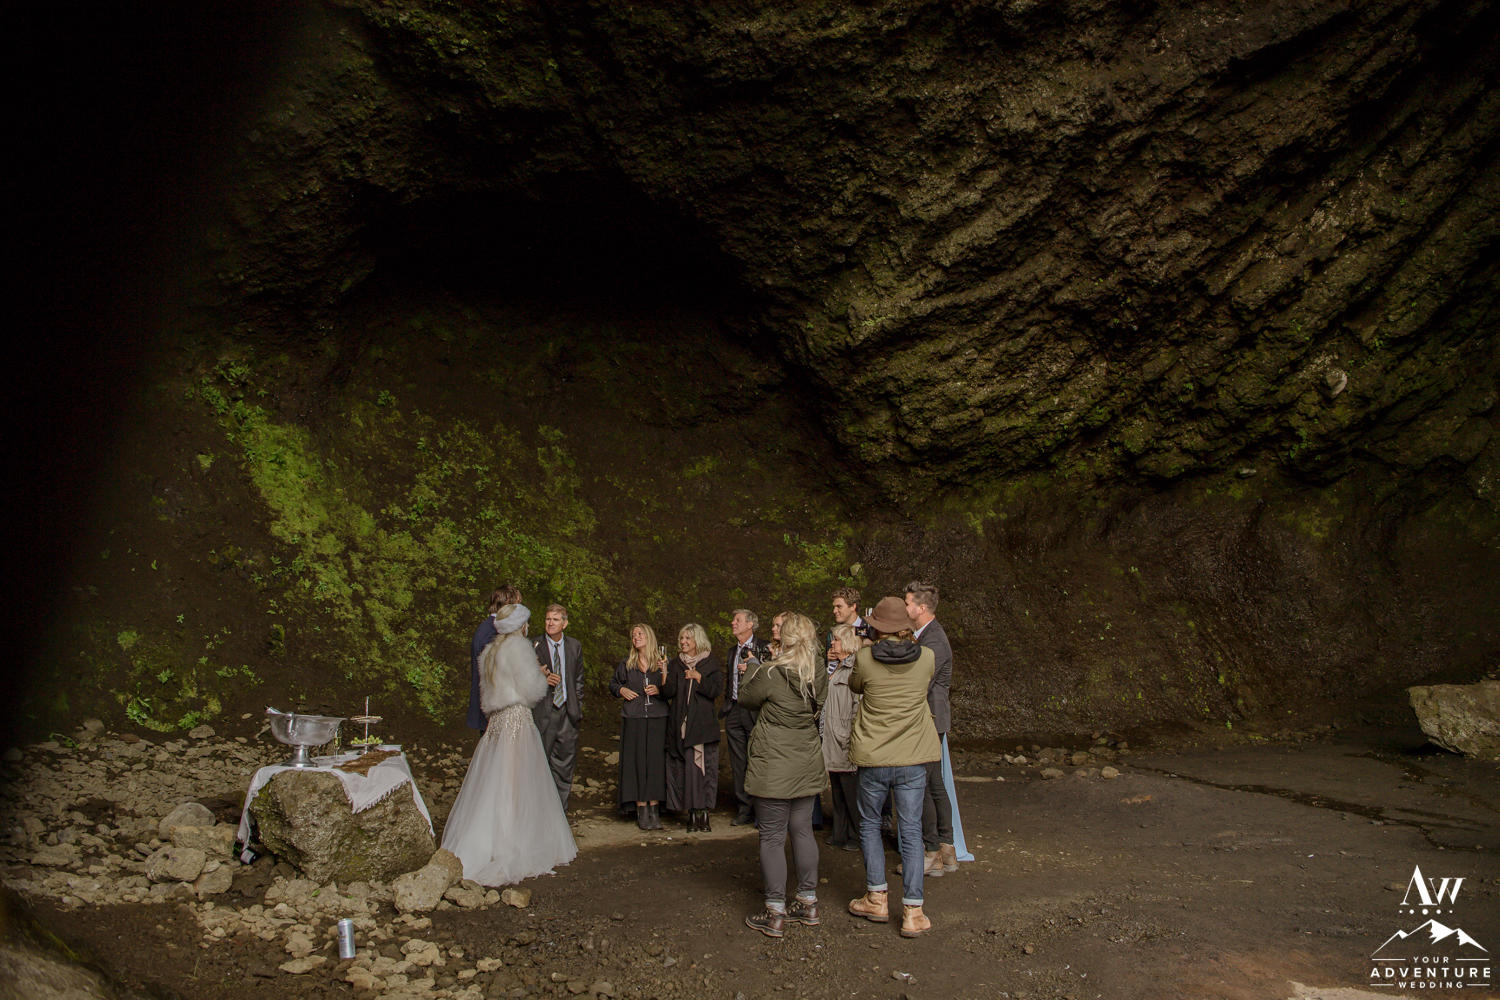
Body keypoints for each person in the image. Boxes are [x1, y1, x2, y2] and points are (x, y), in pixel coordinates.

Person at [442, 602, 578, 885]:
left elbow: (487, 691)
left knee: (495, 778)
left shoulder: (490, 652)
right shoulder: (519, 649)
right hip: (516, 717)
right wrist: (540, 676)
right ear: (520, 625)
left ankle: (489, 838)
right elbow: (532, 691)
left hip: (497, 721)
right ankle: (514, 838)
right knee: (518, 780)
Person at [847, 596, 940, 938]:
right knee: (912, 830)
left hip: (874, 755)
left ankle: (876, 898)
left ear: (875, 627)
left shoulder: (864, 658)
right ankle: (913, 912)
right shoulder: (927, 657)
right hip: (914, 755)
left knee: (870, 824)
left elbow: (855, 686)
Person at [739, 612, 829, 937]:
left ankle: (775, 911)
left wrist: (750, 666)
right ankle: (808, 903)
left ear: (784, 639)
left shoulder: (771, 672)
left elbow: (746, 698)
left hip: (773, 765)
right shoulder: (817, 671)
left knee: (773, 836)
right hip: (806, 759)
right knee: (803, 830)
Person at [906, 580, 961, 877]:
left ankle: (932, 853)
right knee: (934, 783)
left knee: (924, 784)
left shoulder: (935, 641)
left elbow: (921, 680)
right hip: (931, 716)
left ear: (921, 608)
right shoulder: (926, 636)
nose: (905, 608)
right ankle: (947, 849)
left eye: (907, 604)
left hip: (930, 718)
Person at [661, 624, 723, 832]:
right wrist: (663, 672)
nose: (683, 642)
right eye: (681, 638)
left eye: (688, 638)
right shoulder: (675, 664)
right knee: (687, 770)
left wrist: (698, 678)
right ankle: (691, 814)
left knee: (704, 770)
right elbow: (668, 692)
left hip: (703, 726)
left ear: (698, 640)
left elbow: (716, 690)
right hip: (682, 724)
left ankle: (704, 813)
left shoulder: (710, 662)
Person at [611, 624, 670, 830]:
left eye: (640, 634)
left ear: (649, 637)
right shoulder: (627, 664)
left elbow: (671, 689)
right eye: (633, 634)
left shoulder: (662, 662)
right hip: (634, 717)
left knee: (655, 762)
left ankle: (654, 808)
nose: (636, 637)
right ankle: (641, 809)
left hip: (657, 716)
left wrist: (660, 687)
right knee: (636, 761)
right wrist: (622, 691)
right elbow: (613, 684)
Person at [531, 603, 585, 811]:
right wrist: (541, 678)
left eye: (555, 619)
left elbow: (578, 678)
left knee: (564, 763)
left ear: (565, 623)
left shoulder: (574, 646)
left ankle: (559, 811)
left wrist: (577, 705)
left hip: (568, 712)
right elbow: (523, 677)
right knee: (539, 762)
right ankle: (539, 810)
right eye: (547, 619)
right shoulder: (533, 644)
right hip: (543, 711)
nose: (550, 623)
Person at [720, 609, 770, 827]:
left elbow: (771, 677)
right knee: (738, 762)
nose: (733, 623)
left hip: (755, 710)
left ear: (750, 624)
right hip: (734, 709)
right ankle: (744, 808)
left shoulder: (763, 647)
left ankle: (762, 810)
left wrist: (753, 667)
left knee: (758, 759)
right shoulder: (732, 652)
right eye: (733, 620)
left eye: (737, 620)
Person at [821, 624, 861, 851]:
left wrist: (852, 736)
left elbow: (857, 704)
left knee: (851, 792)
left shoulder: (855, 668)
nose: (832, 643)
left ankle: (856, 836)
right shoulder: (836, 667)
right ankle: (839, 832)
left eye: (835, 640)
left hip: (844, 737)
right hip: (833, 736)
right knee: (837, 790)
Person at [468, 585, 520, 733]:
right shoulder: (493, 632)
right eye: (518, 605)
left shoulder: (485, 628)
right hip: (492, 710)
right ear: (508, 603)